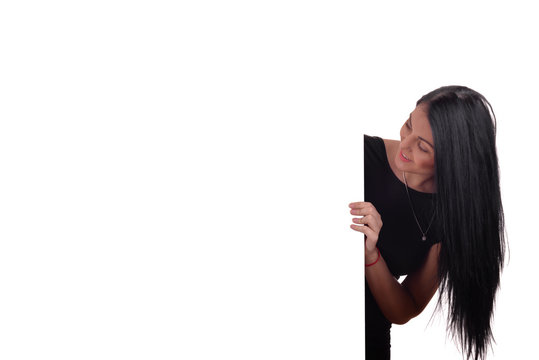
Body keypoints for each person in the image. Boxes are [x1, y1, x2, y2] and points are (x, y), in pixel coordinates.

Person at [349, 86, 506, 360]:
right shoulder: (358, 154)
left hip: (365, 338)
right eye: (409, 124)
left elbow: (403, 309)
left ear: (454, 162)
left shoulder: (454, 217)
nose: (405, 143)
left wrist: (370, 255)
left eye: (422, 146)